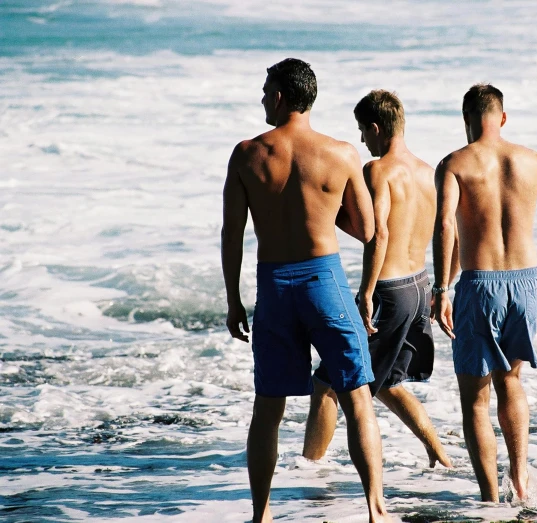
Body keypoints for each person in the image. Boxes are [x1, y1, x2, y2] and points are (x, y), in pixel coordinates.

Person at [221, 58, 392, 523]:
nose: (261, 98)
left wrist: (234, 298)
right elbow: (369, 228)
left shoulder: (247, 154)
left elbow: (232, 232)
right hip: (325, 282)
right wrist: (324, 206)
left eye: (264, 91)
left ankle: (261, 514)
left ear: (279, 97)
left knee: (268, 408)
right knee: (356, 394)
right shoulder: (340, 154)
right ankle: (376, 510)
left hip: (273, 285)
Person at [431, 84, 537, 503]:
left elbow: (447, 227)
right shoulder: (532, 161)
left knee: (474, 399)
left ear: (466, 120)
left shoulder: (454, 164)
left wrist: (440, 289)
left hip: (480, 285)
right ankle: (519, 481)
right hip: (526, 283)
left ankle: (490, 499)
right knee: (511, 381)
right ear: (502, 118)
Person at [303, 90, 452, 469]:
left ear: (376, 127)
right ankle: (440, 454)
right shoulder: (426, 171)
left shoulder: (378, 171)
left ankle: (307, 472)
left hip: (389, 290)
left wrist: (366, 291)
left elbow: (379, 233)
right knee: (386, 382)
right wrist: (440, 288)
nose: (362, 141)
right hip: (419, 285)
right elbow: (441, 231)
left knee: (329, 381)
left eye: (362, 132)